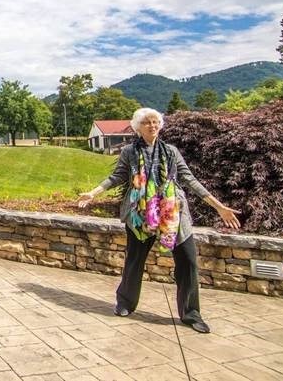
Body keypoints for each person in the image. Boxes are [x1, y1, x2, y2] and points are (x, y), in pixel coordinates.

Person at [78, 107, 241, 334]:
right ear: (138, 128)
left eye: (155, 122)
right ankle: (125, 303)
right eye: (147, 123)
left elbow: (189, 180)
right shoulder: (129, 152)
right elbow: (117, 177)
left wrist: (219, 207)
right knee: (134, 262)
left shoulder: (171, 152)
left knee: (188, 262)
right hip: (140, 214)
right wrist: (93, 193)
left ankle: (191, 314)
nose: (152, 126)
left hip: (172, 213)